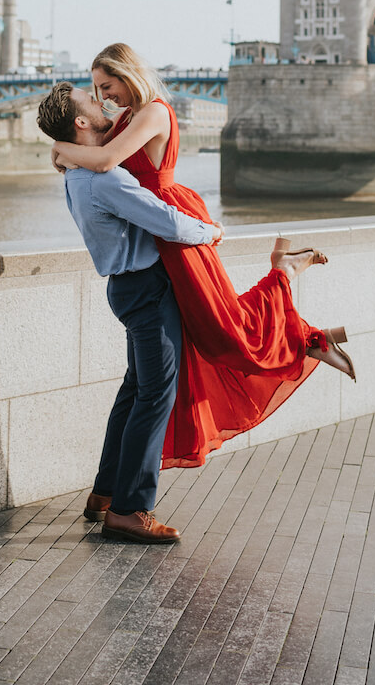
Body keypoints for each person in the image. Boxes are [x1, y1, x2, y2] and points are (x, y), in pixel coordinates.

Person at [49, 43, 355, 470]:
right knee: (210, 330)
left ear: (127, 73)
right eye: (96, 90)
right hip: (157, 229)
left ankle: (304, 327)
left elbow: (102, 161)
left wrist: (63, 151)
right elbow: (95, 146)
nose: (103, 97)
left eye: (107, 85)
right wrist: (65, 146)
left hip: (172, 224)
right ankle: (301, 316)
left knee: (220, 328)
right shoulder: (125, 118)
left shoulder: (153, 111)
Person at [36, 81, 223, 544]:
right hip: (148, 290)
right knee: (156, 394)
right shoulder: (104, 177)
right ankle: (130, 508)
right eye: (91, 101)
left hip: (125, 289)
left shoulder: (76, 175)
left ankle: (104, 494)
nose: (102, 104)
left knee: (135, 390)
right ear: (81, 123)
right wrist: (211, 230)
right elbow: (166, 221)